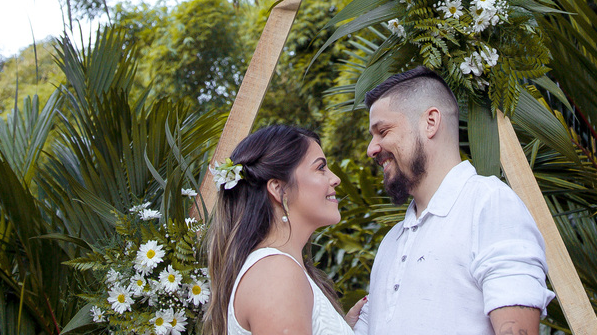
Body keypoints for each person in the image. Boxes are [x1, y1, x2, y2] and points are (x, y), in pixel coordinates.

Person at [353, 67, 555, 335]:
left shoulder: (489, 204)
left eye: (383, 131)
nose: (372, 148)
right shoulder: (391, 242)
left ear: (431, 122)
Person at [204, 124, 359, 335]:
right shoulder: (277, 274)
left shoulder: (277, 270)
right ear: (279, 189)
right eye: (320, 167)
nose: (335, 179)